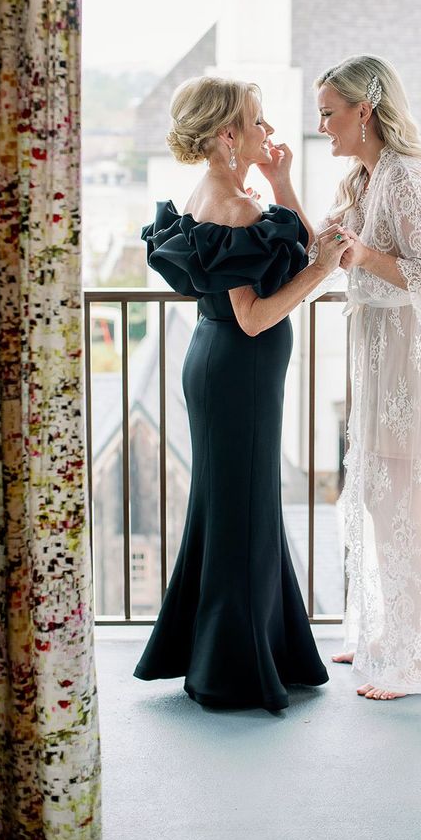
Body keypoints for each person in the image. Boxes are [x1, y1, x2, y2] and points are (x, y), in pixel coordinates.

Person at [134, 75, 349, 710]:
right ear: (228, 133)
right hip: (239, 370)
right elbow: (257, 313)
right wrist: (319, 273)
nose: (269, 132)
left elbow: (306, 244)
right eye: (258, 122)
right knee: (245, 513)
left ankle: (256, 649)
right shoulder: (235, 208)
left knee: (235, 510)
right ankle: (231, 669)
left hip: (223, 366)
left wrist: (283, 187)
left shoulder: (226, 192)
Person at [314, 55, 421, 701]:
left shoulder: (408, 177)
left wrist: (366, 255)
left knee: (401, 503)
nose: (322, 125)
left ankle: (419, 654)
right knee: (380, 498)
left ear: (363, 110)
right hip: (382, 358)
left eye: (328, 113)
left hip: (415, 361)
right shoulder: (365, 177)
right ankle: (391, 631)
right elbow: (328, 247)